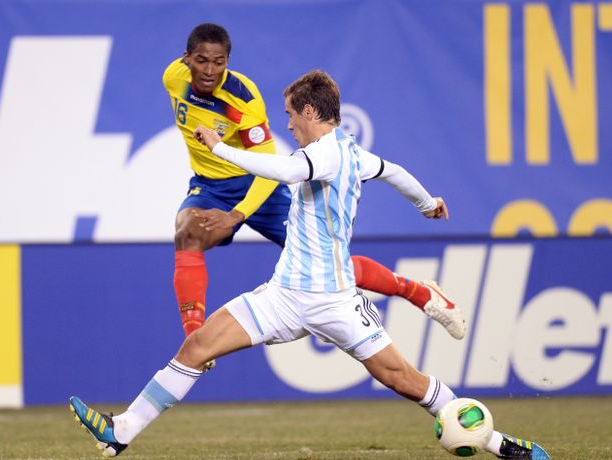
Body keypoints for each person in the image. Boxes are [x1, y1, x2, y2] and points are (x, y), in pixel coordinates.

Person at [70, 70, 550, 460]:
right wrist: (428, 204)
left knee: (403, 379)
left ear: (310, 112)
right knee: (198, 345)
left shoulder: (321, 155)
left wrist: (218, 148)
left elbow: (282, 170)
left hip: (336, 302)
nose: (289, 125)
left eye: (291, 116)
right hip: (283, 296)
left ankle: (495, 441)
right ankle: (121, 431)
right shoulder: (354, 154)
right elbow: (396, 173)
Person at [163, 23, 464, 345]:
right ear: (186, 59)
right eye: (201, 60)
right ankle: (194, 337)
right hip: (210, 187)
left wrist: (236, 214)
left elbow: (272, 167)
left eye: (218, 62)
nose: (209, 70)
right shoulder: (173, 78)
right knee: (187, 232)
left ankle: (418, 292)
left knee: (331, 266)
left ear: (227, 61)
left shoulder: (243, 100)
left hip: (260, 186)